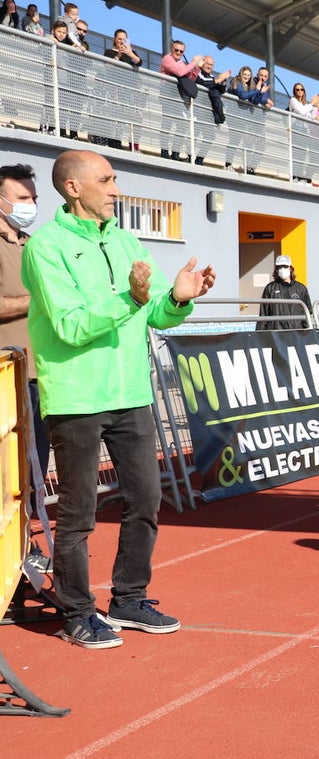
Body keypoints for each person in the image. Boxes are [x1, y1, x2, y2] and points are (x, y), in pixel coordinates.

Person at [21, 150, 216, 649]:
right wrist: (129, 299)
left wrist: (178, 299)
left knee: (147, 500)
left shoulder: (126, 239)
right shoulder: (45, 247)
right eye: (107, 180)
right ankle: (77, 611)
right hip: (76, 397)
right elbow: (69, 326)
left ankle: (128, 599)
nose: (116, 189)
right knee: (79, 513)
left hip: (131, 393)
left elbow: (152, 315)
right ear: (73, 188)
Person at [0, 163, 50, 480]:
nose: (29, 205)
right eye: (21, 197)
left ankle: (28, 525)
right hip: (5, 374)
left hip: (39, 374)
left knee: (35, 464)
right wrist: (37, 301)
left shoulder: (33, 245)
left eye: (33, 198)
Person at [159, 41, 203, 161]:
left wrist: (197, 67)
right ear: (171, 49)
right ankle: (164, 152)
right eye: (176, 50)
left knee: (181, 126)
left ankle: (175, 153)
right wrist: (193, 62)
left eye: (181, 51)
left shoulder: (182, 63)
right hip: (167, 95)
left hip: (178, 96)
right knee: (167, 124)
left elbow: (190, 78)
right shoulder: (167, 59)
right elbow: (179, 72)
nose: (178, 52)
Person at [256, 255, 312, 331]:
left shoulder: (301, 289)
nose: (282, 269)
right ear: (276, 269)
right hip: (276, 335)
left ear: (290, 268)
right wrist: (260, 334)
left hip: (297, 334)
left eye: (285, 266)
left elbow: (308, 313)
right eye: (279, 267)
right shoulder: (270, 288)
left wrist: (309, 332)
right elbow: (263, 315)